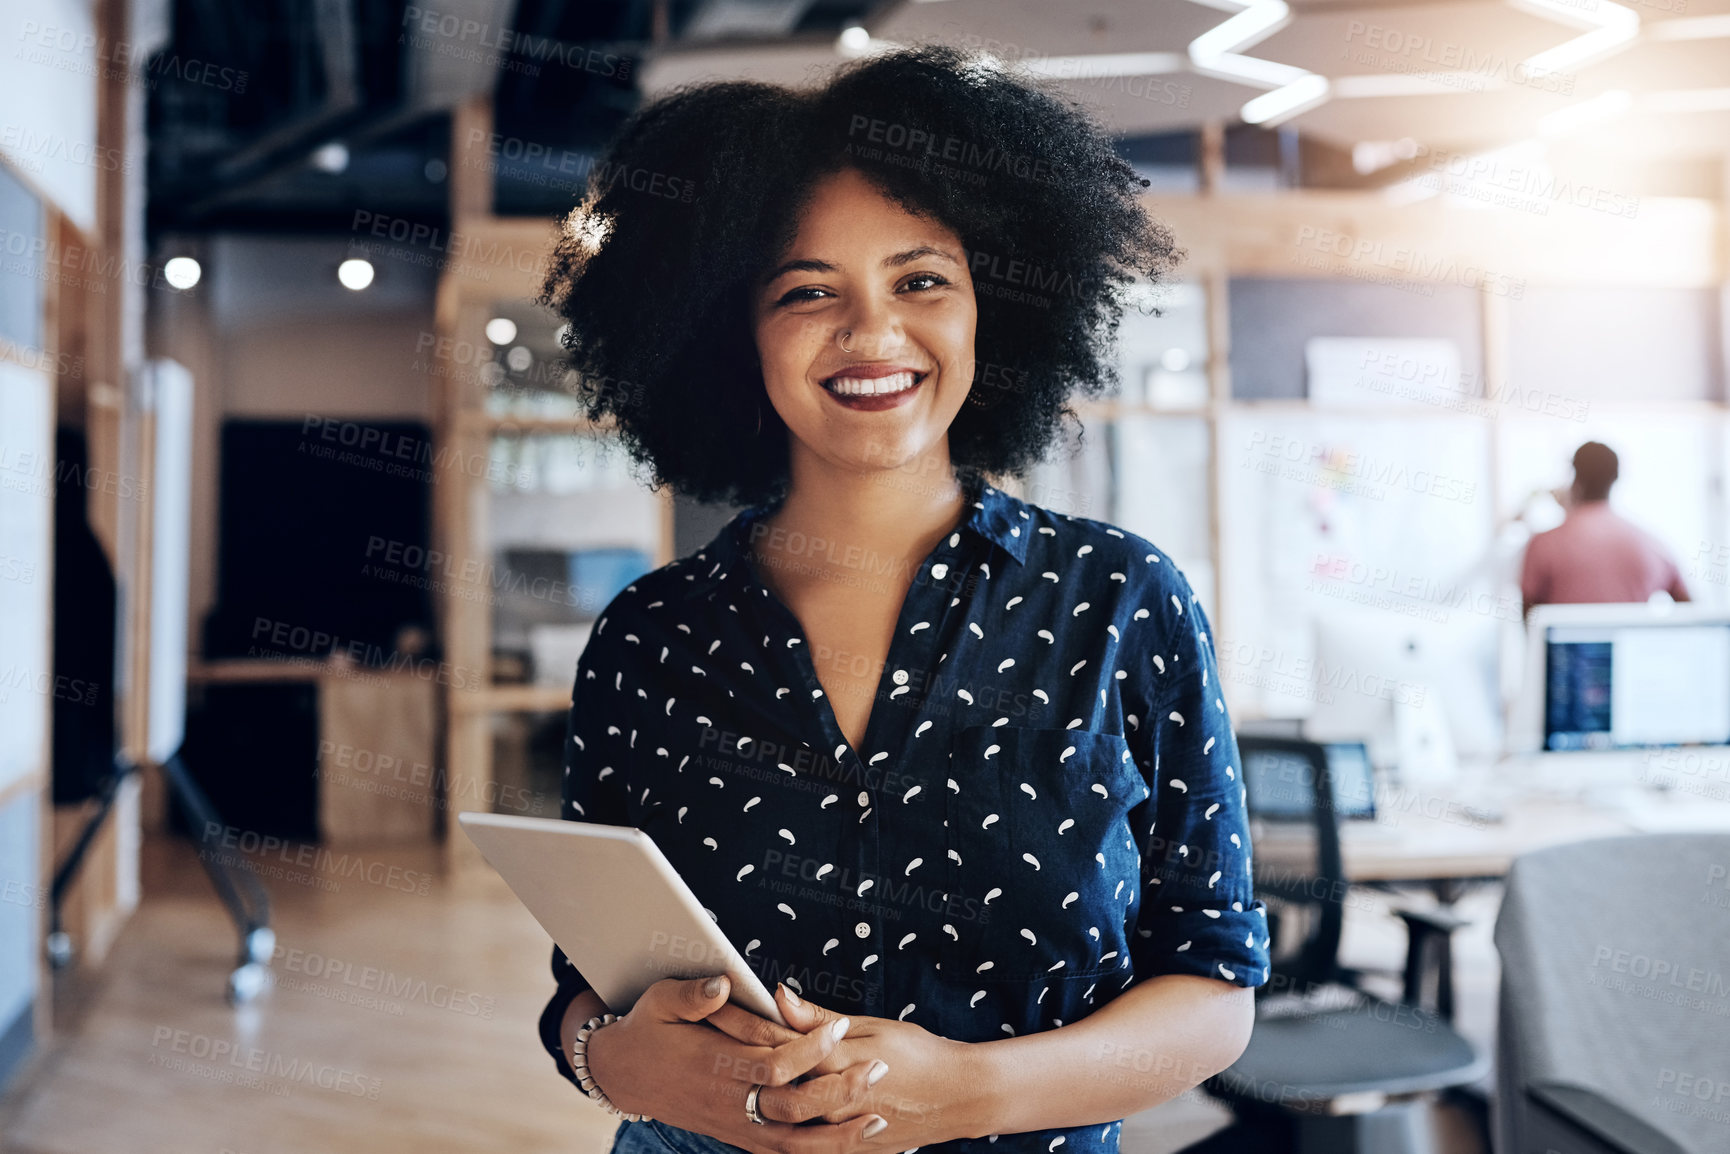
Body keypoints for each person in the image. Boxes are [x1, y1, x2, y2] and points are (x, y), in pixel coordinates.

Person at [534, 45, 1269, 1154]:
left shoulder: (1120, 601)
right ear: (732, 333)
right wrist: (612, 1057)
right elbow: (585, 982)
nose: (871, 332)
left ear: (994, 308)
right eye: (806, 290)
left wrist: (964, 1092)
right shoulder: (651, 634)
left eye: (919, 279)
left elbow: (1213, 985)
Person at [1520, 441, 1690, 616]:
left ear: (1574, 478)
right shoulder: (1651, 543)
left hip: (1568, 643)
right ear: (1616, 477)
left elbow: (1530, 616)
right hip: (1631, 642)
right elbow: (1689, 607)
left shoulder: (1544, 543)